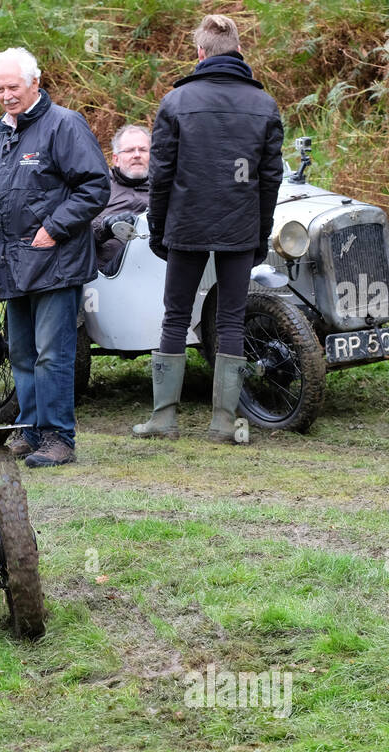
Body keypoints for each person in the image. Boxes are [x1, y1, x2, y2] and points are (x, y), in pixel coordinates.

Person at [137, 14, 283, 443]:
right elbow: (269, 180)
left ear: (199, 53)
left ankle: (164, 418)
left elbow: (159, 176)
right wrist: (260, 232)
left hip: (186, 222)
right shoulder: (264, 105)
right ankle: (222, 422)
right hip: (240, 224)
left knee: (175, 317)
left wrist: (159, 227)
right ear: (239, 51)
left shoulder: (176, 101)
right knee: (232, 319)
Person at [0, 47, 110, 467]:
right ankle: (30, 429)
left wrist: (54, 228)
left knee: (53, 353)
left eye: (13, 87)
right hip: (10, 264)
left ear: (35, 82)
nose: (6, 95)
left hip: (56, 262)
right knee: (20, 353)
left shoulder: (65, 125)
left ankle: (58, 438)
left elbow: (95, 187)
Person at [91, 124, 150, 274]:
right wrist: (106, 226)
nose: (137, 155)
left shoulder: (167, 189)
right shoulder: (97, 187)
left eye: (143, 150)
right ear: (116, 159)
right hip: (107, 275)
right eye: (130, 150)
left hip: (156, 271)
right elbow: (77, 232)